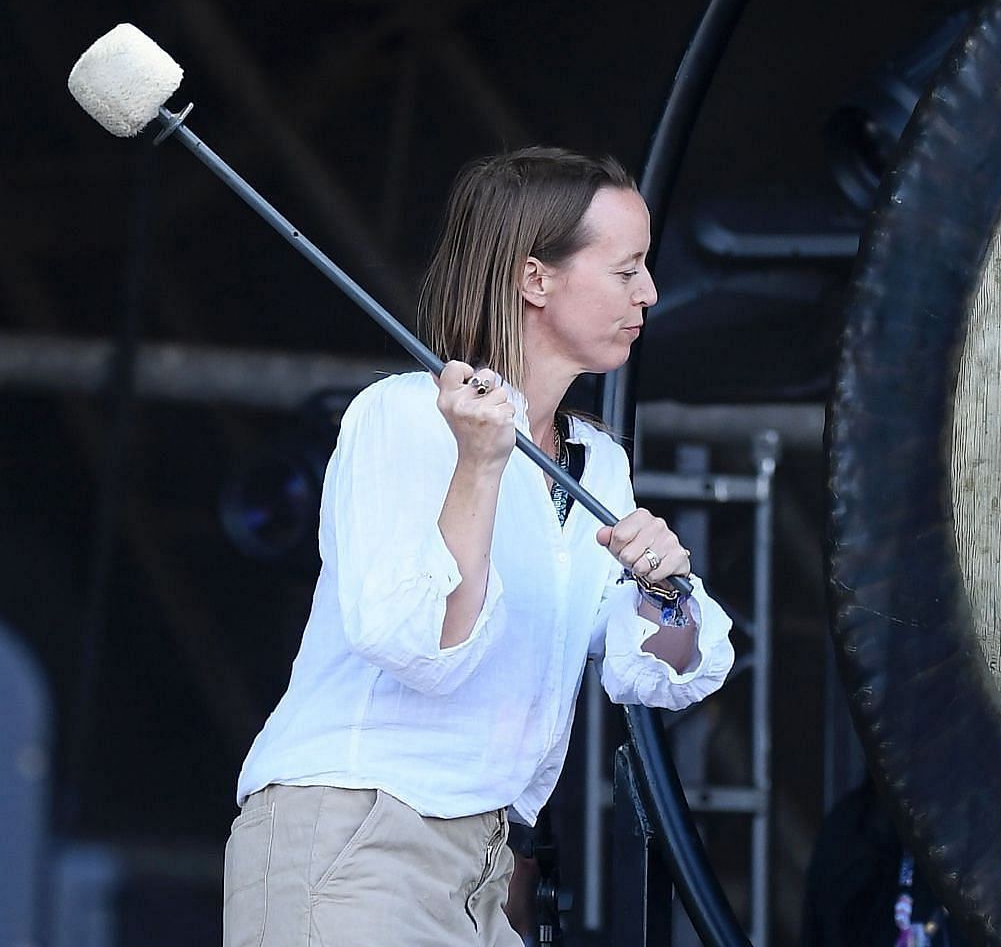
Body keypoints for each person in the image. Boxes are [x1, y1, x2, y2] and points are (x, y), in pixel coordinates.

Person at [221, 147, 734, 945]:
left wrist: (665, 588)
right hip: (356, 830)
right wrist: (480, 466)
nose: (650, 293)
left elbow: (654, 673)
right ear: (536, 279)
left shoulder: (597, 462)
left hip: (483, 863)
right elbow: (424, 645)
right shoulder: (401, 418)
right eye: (627, 269)